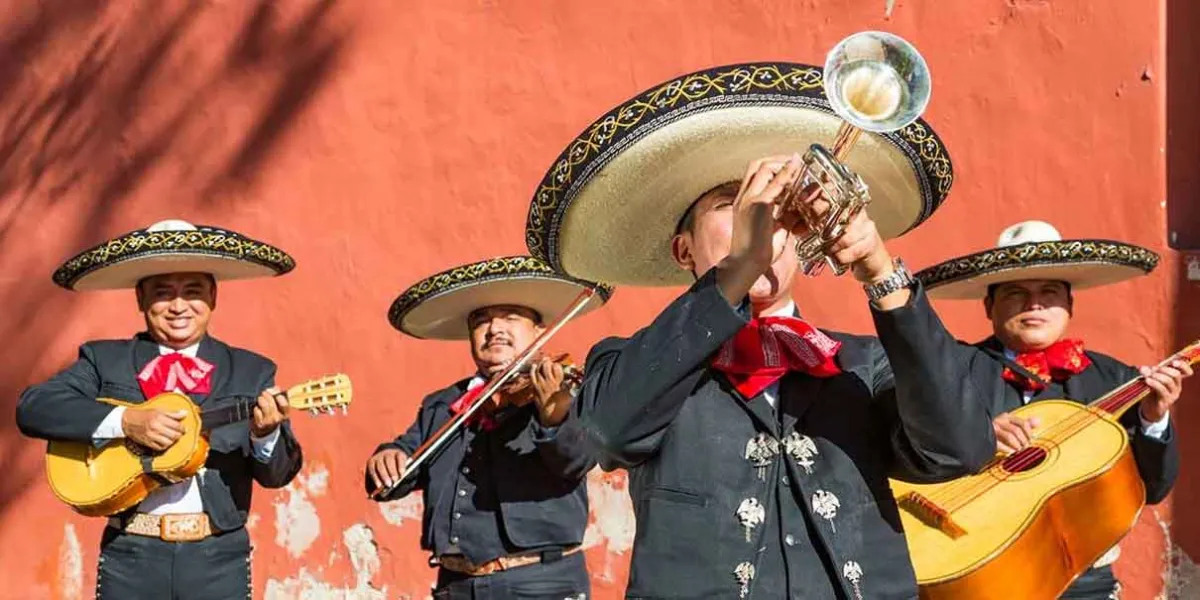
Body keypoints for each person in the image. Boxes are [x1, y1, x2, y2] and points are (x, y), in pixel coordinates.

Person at [521, 61, 996, 598]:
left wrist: (882, 273)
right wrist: (736, 270)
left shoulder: (864, 362)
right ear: (684, 250)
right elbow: (603, 434)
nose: (766, 220)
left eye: (778, 210)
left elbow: (961, 450)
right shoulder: (633, 360)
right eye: (734, 205)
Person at [16, 219, 302, 600]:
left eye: (193, 291)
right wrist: (125, 421)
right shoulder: (105, 360)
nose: (179, 306)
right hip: (131, 554)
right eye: (163, 293)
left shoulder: (252, 371)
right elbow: (34, 408)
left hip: (218, 558)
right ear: (141, 299)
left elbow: (277, 475)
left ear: (213, 297)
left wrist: (265, 436)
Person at [915, 220, 1189, 599]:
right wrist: (972, 433)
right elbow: (907, 449)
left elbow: (1154, 488)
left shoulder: (1115, 379)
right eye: (1016, 293)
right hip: (977, 577)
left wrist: (1153, 418)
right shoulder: (953, 370)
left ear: (1069, 304)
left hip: (1082, 584)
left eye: (1049, 291)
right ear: (989, 306)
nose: (1035, 304)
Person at [366, 256, 610, 600]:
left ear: (538, 331)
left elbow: (576, 461)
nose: (495, 329)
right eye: (481, 321)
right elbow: (401, 468)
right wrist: (387, 457)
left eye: (510, 318)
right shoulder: (443, 404)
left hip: (541, 585)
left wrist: (554, 415)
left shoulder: (562, 390)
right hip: (457, 585)